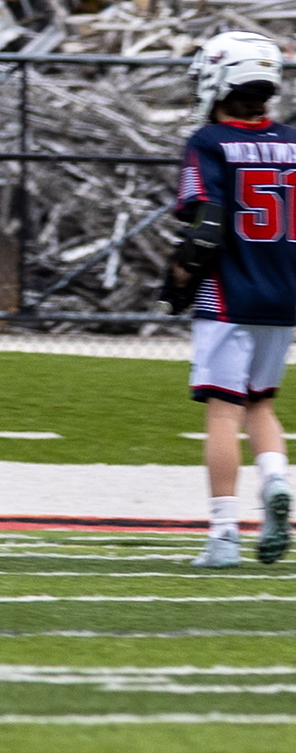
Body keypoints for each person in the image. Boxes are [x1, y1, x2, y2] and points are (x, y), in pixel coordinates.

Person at [164, 29, 296, 570]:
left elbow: (206, 227)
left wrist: (178, 278)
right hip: (285, 295)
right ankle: (276, 480)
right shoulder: (293, 141)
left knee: (224, 409)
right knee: (260, 402)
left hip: (229, 295)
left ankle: (223, 535)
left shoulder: (210, 141)